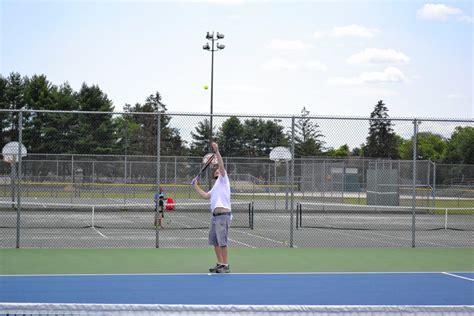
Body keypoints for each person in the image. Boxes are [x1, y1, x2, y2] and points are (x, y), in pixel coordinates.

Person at [192, 142, 231, 273]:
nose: (217, 170)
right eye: (215, 170)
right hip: (214, 217)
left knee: (222, 241)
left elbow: (221, 164)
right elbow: (205, 196)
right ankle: (220, 263)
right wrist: (195, 186)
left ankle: (226, 265)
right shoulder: (215, 186)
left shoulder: (224, 180)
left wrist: (217, 151)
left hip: (223, 215)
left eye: (218, 169)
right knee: (215, 241)